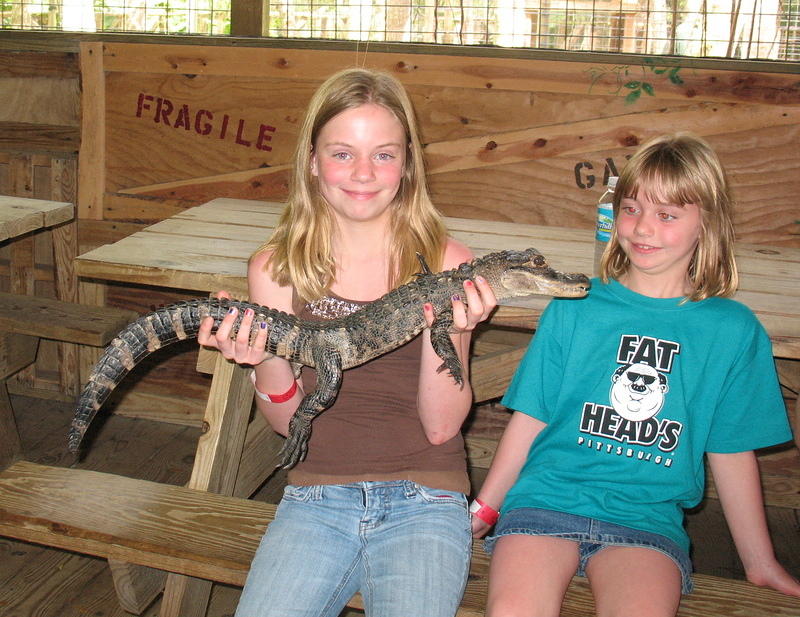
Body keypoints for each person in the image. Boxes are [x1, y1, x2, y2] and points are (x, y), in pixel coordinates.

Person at [197, 67, 497, 617]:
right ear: (312, 162)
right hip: (316, 494)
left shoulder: (447, 263)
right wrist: (265, 357)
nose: (363, 173)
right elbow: (290, 426)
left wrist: (455, 330)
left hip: (425, 494)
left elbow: (440, 426)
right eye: (342, 153)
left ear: (407, 165)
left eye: (384, 154)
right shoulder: (278, 267)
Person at [470, 132, 800, 616]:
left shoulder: (732, 331)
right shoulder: (574, 307)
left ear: (706, 223)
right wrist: (485, 509)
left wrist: (760, 561)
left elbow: (731, 451)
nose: (643, 227)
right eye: (631, 208)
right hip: (544, 503)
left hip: (645, 523)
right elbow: (531, 418)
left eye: (667, 215)